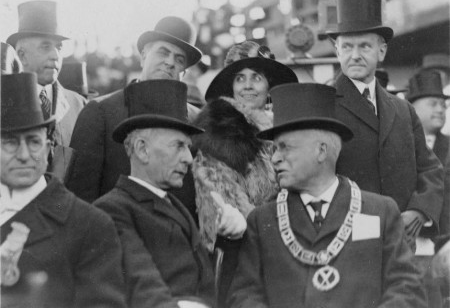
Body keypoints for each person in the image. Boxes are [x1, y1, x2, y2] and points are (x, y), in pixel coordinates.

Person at [229, 82, 427, 308]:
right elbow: (244, 295)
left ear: (321, 151)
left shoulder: (381, 212)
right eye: (275, 149)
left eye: (285, 147)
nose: (275, 159)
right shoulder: (261, 220)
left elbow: (407, 288)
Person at [94, 79, 246, 308]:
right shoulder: (111, 211)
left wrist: (228, 240)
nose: (189, 157)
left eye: (188, 146)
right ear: (142, 149)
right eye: (178, 146)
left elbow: (206, 282)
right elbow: (140, 283)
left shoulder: (174, 205)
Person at [326, 0, 443, 250]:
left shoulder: (403, 110)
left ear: (381, 51)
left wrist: (419, 211)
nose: (355, 55)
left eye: (364, 46)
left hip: (403, 243)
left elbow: (431, 169)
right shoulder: (324, 106)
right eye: (347, 46)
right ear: (337, 50)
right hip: (348, 246)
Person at [0, 73, 126, 308]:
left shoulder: (89, 225)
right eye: (10, 142)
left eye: (34, 141)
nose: (25, 155)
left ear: (49, 148)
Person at [192, 41, 298, 306]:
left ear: (269, 86)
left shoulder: (282, 128)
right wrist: (269, 232)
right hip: (239, 251)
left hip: (284, 247)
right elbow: (218, 193)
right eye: (240, 78)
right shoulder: (218, 129)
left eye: (256, 78)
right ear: (231, 86)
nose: (248, 86)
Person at [67, 16, 203, 210]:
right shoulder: (101, 112)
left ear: (185, 72)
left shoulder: (198, 120)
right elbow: (80, 197)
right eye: (163, 52)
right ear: (143, 56)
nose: (170, 62)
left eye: (179, 59)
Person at [7, 0, 87, 150]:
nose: (55, 55)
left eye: (59, 47)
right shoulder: (5, 103)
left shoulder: (79, 105)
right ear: (22, 55)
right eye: (45, 46)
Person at [407, 69, 450, 235]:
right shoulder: (399, 145)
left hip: (444, 238)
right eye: (433, 104)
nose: (440, 110)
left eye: (443, 105)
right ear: (413, 108)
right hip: (407, 237)